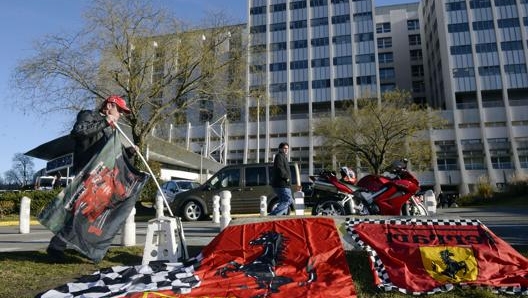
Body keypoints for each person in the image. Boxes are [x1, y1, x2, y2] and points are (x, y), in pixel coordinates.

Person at [46, 95, 132, 261]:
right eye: (119, 110)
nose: (120, 114)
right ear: (109, 105)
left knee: (92, 215)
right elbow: (78, 132)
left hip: (101, 175)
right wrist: (105, 122)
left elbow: (111, 153)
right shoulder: (89, 115)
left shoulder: (110, 128)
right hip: (86, 172)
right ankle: (56, 247)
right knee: (81, 212)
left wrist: (129, 152)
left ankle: (78, 247)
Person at [269, 142, 293, 216]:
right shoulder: (279, 156)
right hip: (281, 184)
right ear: (280, 149)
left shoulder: (283, 157)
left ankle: (282, 217)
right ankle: (273, 215)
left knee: (283, 201)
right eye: (284, 148)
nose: (286, 150)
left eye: (287, 148)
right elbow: (280, 169)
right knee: (288, 200)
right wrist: (286, 178)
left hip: (284, 184)